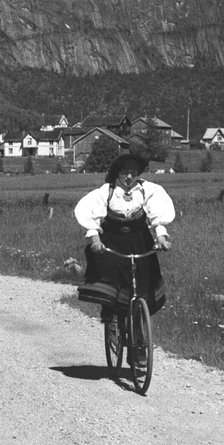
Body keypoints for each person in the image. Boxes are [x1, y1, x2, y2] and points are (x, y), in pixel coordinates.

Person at [74, 153, 174, 358]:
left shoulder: (147, 190)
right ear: (117, 173)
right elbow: (91, 217)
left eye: (133, 173)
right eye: (125, 173)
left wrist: (162, 238)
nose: (129, 177)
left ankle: (139, 342)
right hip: (112, 240)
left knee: (143, 282)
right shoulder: (107, 192)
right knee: (110, 273)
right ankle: (111, 316)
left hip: (139, 240)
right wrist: (95, 240)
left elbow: (157, 218)